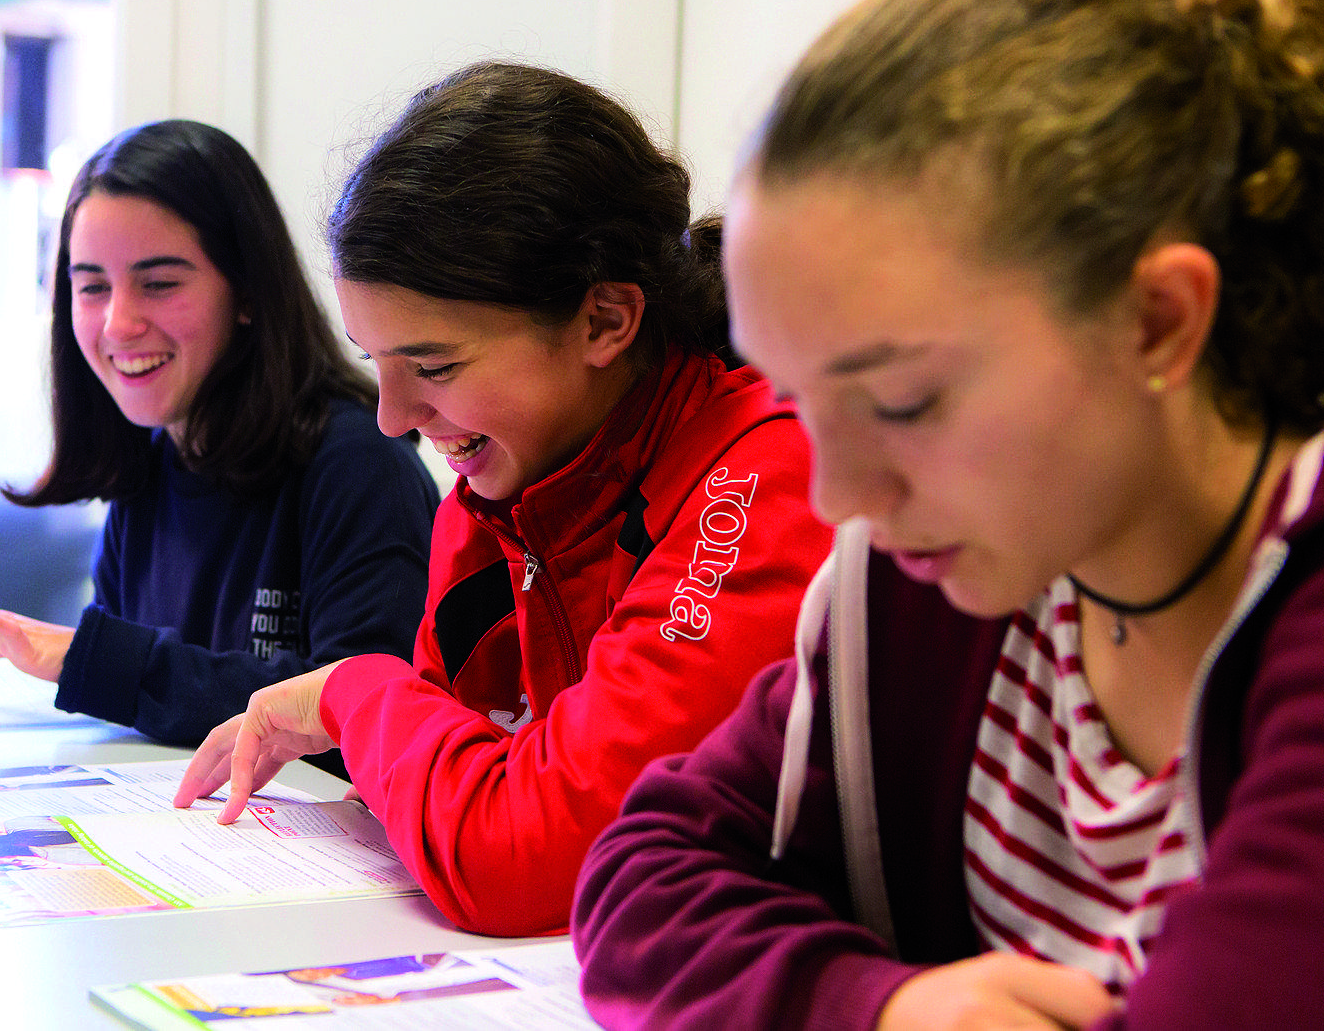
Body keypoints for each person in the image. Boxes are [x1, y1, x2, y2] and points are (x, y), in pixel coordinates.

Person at [572, 0, 1324, 1030]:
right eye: (798, 401)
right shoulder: (935, 573)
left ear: (1156, 319)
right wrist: (874, 1008)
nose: (841, 497)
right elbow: (644, 873)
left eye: (902, 401)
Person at [173, 61, 832, 936]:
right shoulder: (497, 494)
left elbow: (520, 857)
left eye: (434, 367)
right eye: (376, 362)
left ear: (604, 321)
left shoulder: (766, 471)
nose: (393, 418)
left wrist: (352, 692)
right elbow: (456, 786)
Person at [0, 120, 440, 761]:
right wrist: (88, 662)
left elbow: (361, 719)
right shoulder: (155, 461)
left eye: (159, 284)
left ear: (246, 293)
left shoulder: (359, 465)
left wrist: (89, 659)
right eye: (92, 285)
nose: (119, 323)